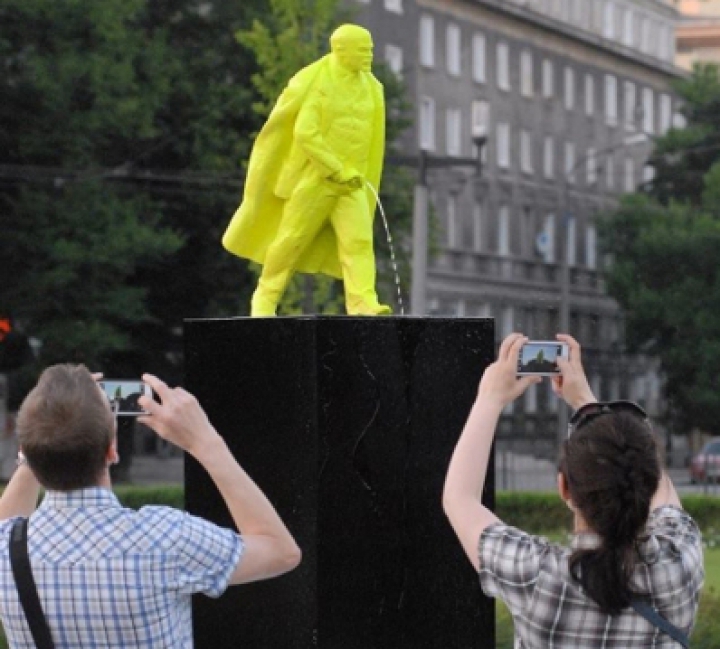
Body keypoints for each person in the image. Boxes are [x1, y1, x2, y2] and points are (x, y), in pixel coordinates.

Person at [0, 365, 301, 647]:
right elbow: (281, 551)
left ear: (25, 451)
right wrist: (206, 443)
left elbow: (7, 521)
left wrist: (47, 431)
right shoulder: (165, 537)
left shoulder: (6, 552)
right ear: (112, 451)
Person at [443, 333, 704, 647]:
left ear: (563, 487)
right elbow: (652, 479)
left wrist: (490, 397)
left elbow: (459, 497)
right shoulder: (680, 560)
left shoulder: (536, 577)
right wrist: (585, 400)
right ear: (646, 484)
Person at [222, 24, 391, 317]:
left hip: (352, 184)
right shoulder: (317, 83)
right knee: (292, 239)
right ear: (341, 50)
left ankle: (362, 302)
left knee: (360, 242)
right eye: (363, 50)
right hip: (316, 180)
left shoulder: (373, 88)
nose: (369, 55)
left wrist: (356, 175)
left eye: (371, 49)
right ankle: (266, 297)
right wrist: (336, 168)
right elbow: (305, 133)